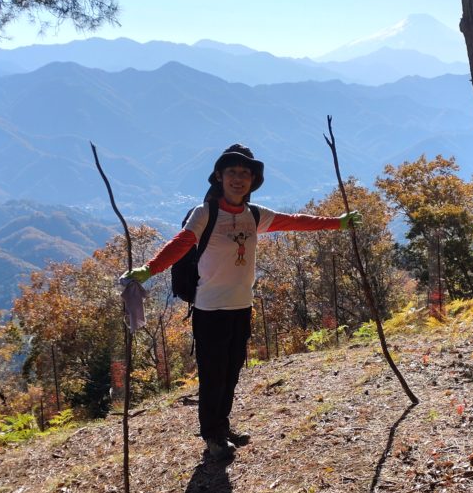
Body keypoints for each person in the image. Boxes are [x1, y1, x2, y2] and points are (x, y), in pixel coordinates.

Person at [121, 143, 360, 460]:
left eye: (245, 173)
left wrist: (337, 222)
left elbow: (297, 221)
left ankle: (222, 427)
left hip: (241, 307)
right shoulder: (205, 213)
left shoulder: (255, 215)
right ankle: (212, 436)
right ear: (219, 177)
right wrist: (149, 270)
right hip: (210, 310)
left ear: (253, 180)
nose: (238, 178)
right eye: (232, 172)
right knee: (213, 375)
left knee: (231, 372)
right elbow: (181, 244)